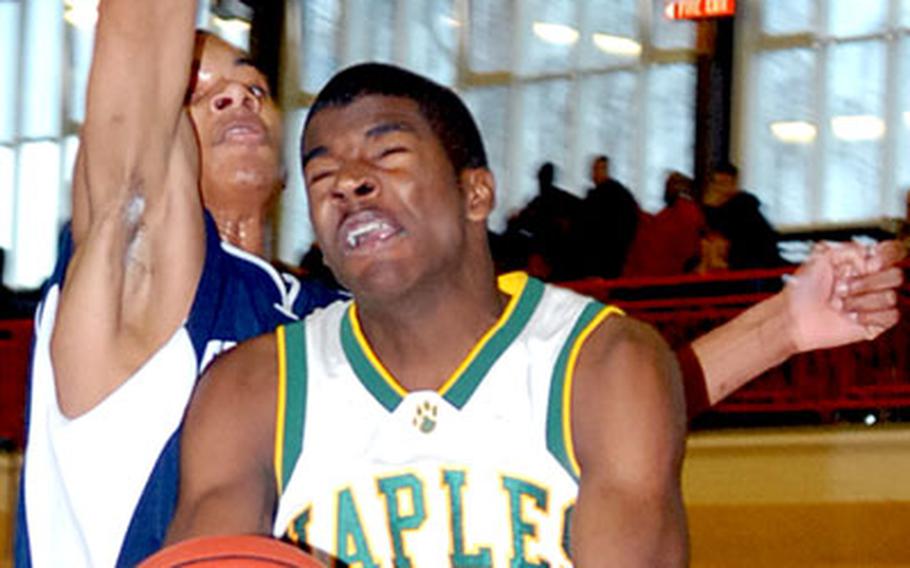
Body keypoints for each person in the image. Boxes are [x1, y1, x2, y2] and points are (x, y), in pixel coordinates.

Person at [165, 62, 905, 564]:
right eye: (322, 174)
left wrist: (782, 327)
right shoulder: (251, 389)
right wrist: (780, 327)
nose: (348, 184)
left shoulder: (605, 362)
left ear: (477, 193)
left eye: (386, 157)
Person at [15, 7, 341, 567]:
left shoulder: (338, 315)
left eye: (254, 85)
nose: (238, 97)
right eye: (195, 90)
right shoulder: (125, 279)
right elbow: (140, 39)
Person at [703, 163, 785, 270]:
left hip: (750, 261)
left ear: (734, 184)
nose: (720, 189)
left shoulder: (744, 205)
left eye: (724, 183)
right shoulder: (709, 208)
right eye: (717, 184)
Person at [579, 154, 641, 278]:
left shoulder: (613, 194)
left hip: (607, 253)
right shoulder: (617, 193)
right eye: (594, 169)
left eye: (598, 169)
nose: (594, 173)